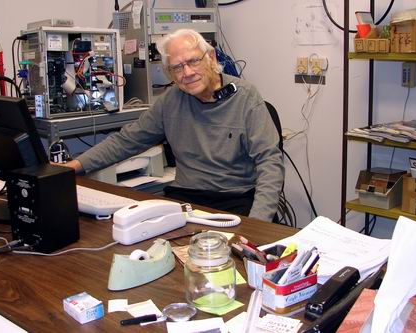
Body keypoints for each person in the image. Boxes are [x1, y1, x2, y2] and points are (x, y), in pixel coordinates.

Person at [64, 29, 284, 222]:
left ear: (211, 57)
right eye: (177, 67)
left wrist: (257, 223)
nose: (187, 73)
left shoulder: (246, 97)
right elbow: (127, 141)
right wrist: (72, 167)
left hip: (237, 199)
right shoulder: (171, 100)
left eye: (193, 61)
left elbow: (269, 163)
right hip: (186, 198)